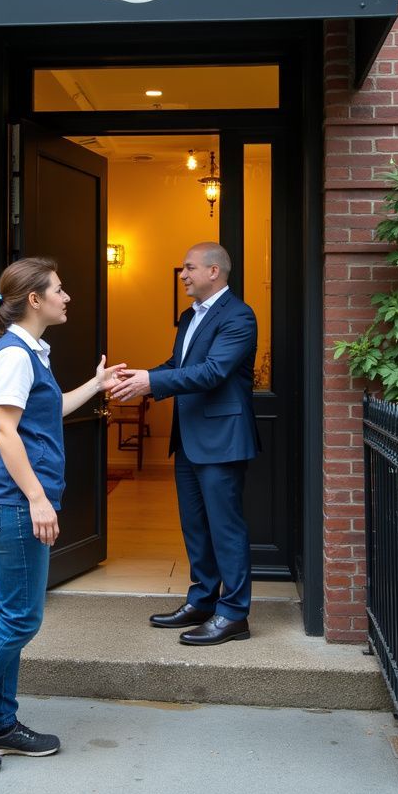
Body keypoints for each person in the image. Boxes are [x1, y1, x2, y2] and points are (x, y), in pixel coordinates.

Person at [0, 256, 125, 774]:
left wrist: (96, 386)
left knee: (15, 615)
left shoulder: (30, 352)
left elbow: (44, 411)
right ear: (34, 300)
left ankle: (2, 724)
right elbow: (5, 432)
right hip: (13, 504)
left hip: (17, 502)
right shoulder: (13, 355)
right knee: (20, 618)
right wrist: (38, 498)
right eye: (60, 289)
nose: (67, 296)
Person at [110, 241, 260, 646]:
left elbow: (212, 372)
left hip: (223, 440)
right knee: (195, 527)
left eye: (189, 268)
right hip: (190, 439)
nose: (183, 275)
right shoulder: (189, 316)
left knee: (225, 528)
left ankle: (234, 614)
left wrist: (152, 383)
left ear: (214, 271)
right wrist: (138, 379)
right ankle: (203, 600)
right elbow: (179, 366)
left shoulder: (239, 317)